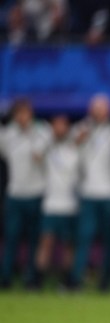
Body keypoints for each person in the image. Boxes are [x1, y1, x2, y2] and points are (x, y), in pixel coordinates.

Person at [69, 94, 110, 291]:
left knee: (109, 240)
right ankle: (76, 279)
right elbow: (70, 156)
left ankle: (105, 280)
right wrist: (79, 140)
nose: (100, 113)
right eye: (96, 109)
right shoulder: (80, 130)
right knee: (84, 237)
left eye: (103, 109)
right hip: (88, 192)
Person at [0, 98, 50, 288]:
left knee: (33, 240)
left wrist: (31, 135)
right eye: (18, 113)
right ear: (14, 116)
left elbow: (41, 154)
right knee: (10, 238)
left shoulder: (41, 131)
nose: (22, 117)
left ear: (31, 114)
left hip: (36, 194)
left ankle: (31, 278)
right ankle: (6, 277)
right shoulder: (8, 134)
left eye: (25, 113)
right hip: (15, 194)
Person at [34, 115, 79, 288]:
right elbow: (36, 156)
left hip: (70, 205)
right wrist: (47, 137)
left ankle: (67, 281)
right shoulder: (47, 147)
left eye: (63, 125)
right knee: (45, 242)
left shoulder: (74, 148)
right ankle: (36, 281)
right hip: (50, 204)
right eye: (56, 125)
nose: (60, 129)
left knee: (69, 245)